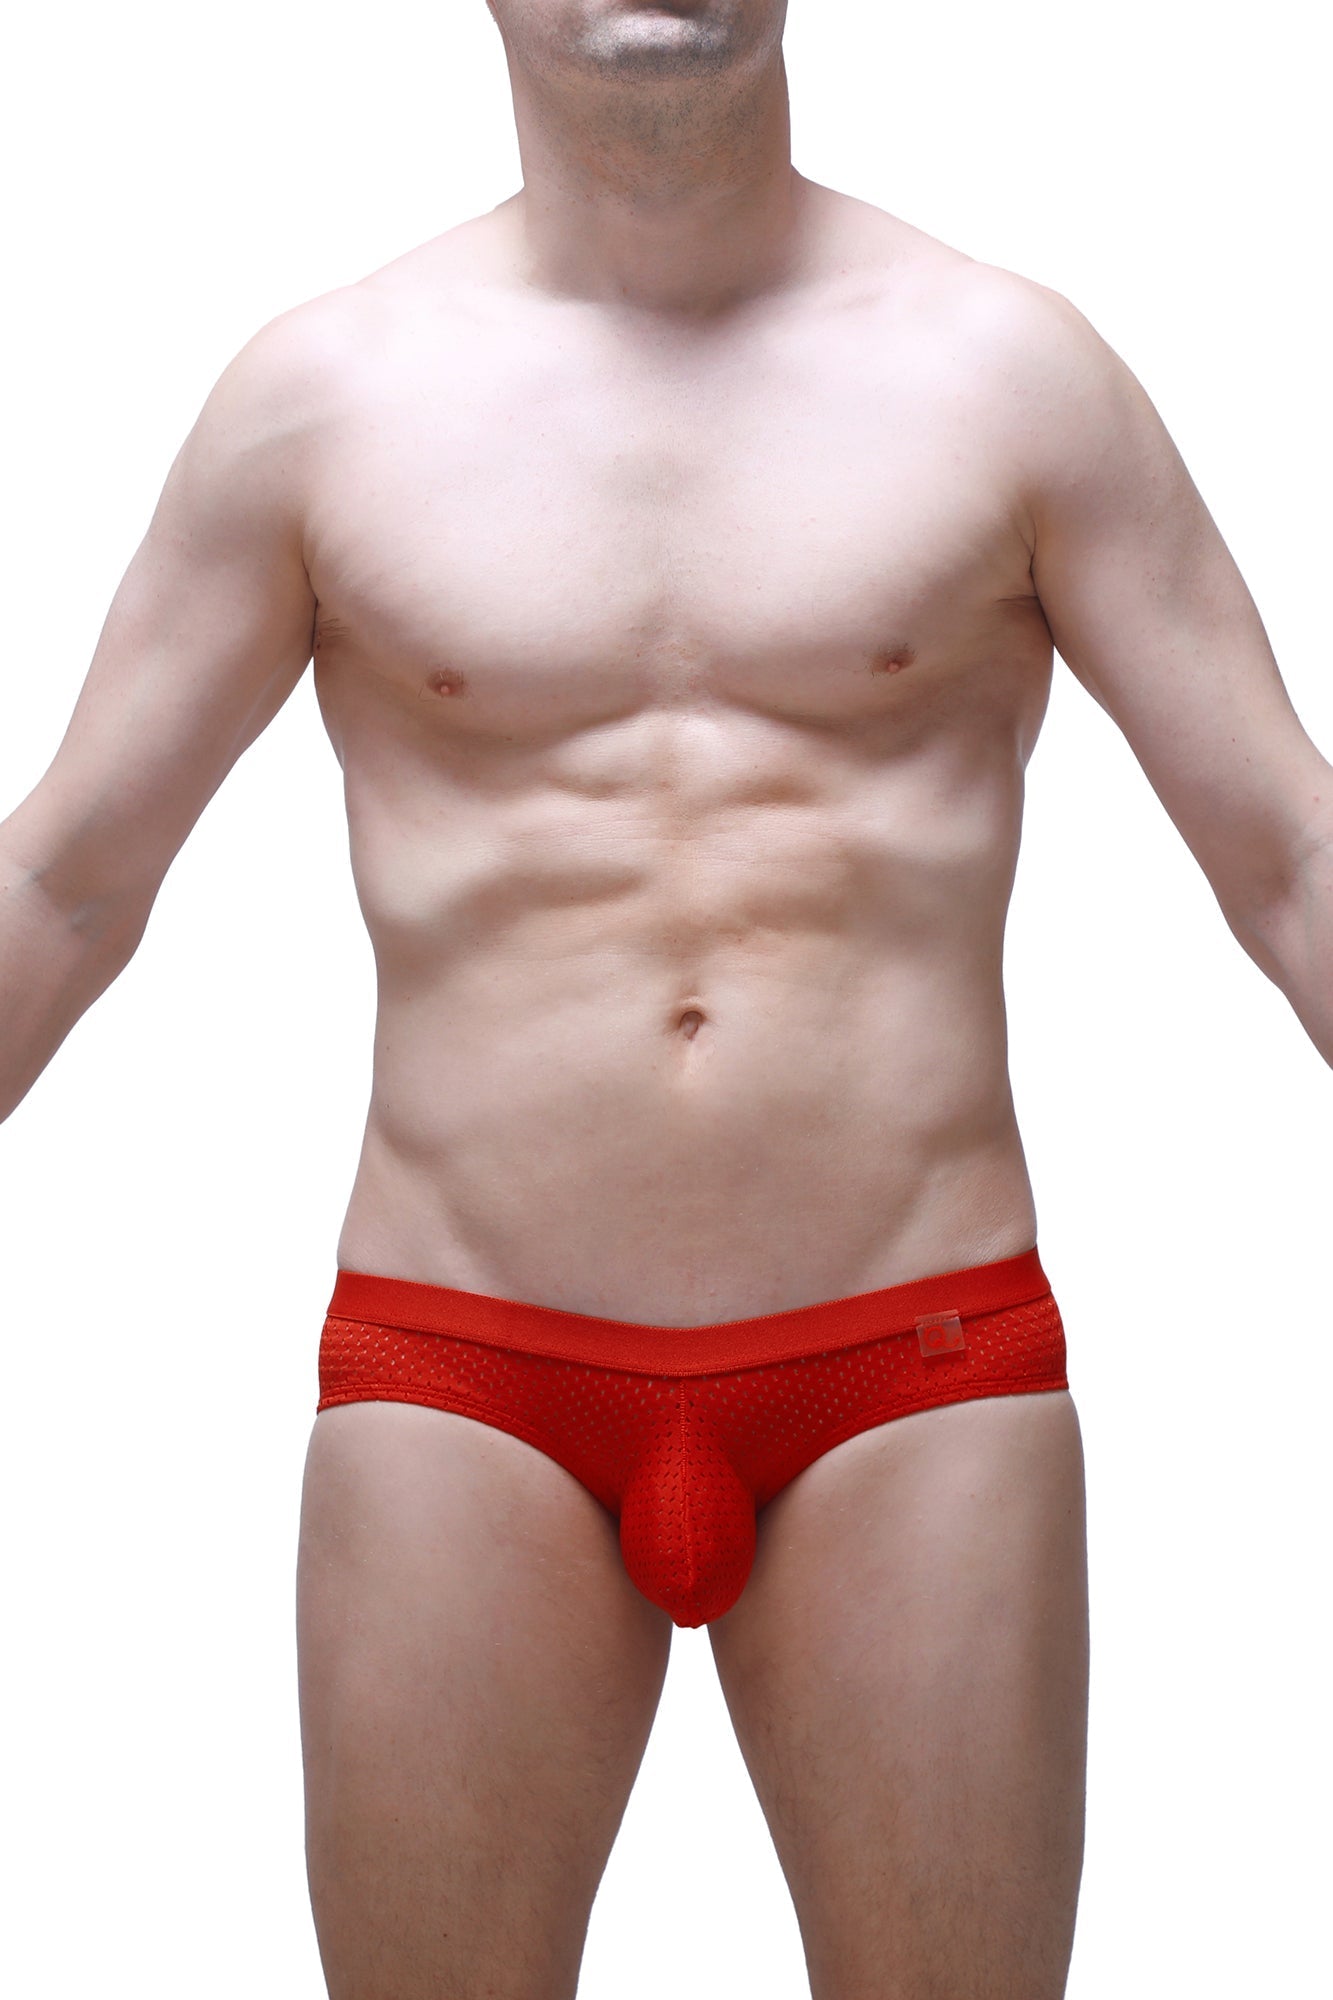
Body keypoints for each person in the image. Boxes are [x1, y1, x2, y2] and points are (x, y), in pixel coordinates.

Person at [2, 1, 1330, 1994]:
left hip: (912, 1362)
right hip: (465, 1377)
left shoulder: (1009, 375)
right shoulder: (321, 399)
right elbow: (65, 880)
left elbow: (1290, 856)